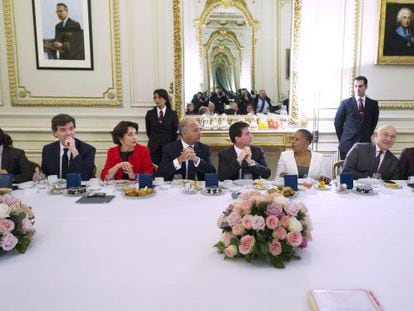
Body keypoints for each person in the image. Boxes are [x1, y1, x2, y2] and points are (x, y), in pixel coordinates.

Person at [34, 114, 96, 181]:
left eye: (71, 128)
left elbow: (85, 176)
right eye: (63, 130)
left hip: (78, 189)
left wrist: (74, 151)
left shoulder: (88, 149)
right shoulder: (48, 150)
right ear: (55, 133)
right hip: (56, 190)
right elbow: (46, 174)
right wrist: (40, 176)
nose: (69, 133)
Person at [334, 76, 379, 160]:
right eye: (355, 86)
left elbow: (373, 123)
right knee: (347, 171)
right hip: (347, 144)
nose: (357, 89)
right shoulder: (345, 103)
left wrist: (366, 135)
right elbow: (338, 123)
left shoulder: (373, 104)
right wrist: (343, 138)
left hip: (365, 144)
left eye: (360, 86)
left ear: (366, 87)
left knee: (364, 171)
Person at [145, 89, 179, 165]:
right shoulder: (150, 114)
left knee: (167, 170)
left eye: (159, 97)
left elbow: (175, 132)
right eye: (155, 97)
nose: (157, 100)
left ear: (165, 99)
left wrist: (171, 145)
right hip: (153, 147)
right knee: (154, 170)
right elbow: (149, 131)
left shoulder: (172, 114)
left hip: (168, 147)